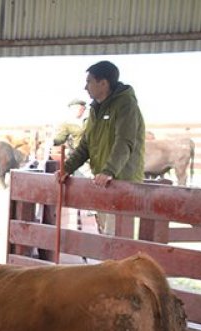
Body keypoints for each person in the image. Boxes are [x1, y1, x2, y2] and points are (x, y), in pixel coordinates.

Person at [57, 60, 145, 235]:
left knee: (116, 236)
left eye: (89, 81)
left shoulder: (126, 106)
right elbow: (86, 145)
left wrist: (109, 171)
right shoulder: (96, 110)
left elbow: (124, 141)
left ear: (103, 83)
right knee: (105, 232)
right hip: (104, 182)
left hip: (121, 181)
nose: (85, 87)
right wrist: (66, 168)